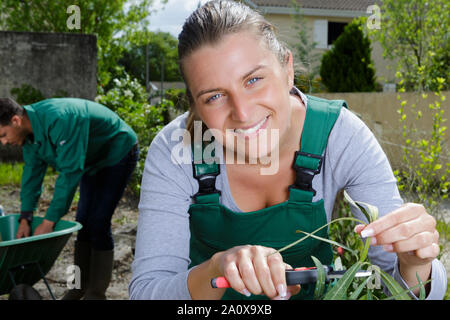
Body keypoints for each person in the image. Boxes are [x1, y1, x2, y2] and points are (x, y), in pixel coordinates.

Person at [129, 0, 446, 300]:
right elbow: (147, 290)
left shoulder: (341, 135)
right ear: (194, 105)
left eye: (253, 80)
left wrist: (415, 264)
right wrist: (216, 268)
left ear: (287, 69)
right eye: (214, 96)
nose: (242, 112)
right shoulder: (176, 149)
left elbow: (394, 285)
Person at [0, 97, 139, 300]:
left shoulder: (61, 119)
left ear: (16, 120)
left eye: (3, 135)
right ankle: (78, 287)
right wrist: (25, 216)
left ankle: (96, 293)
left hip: (117, 153)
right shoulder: (29, 136)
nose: (4, 142)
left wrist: (49, 222)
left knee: (99, 221)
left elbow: (69, 173)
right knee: (83, 223)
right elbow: (31, 175)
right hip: (90, 160)